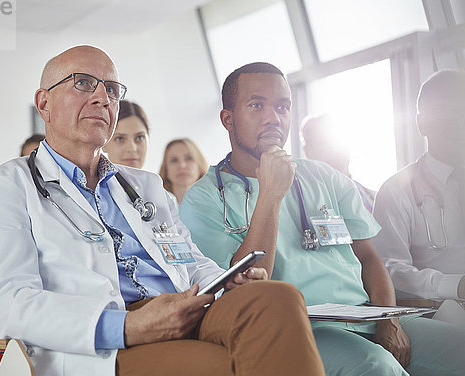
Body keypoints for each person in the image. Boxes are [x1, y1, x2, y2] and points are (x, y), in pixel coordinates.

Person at [0, 46, 325, 376]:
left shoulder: (146, 186)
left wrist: (227, 278)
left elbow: (189, 261)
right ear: (44, 103)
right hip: (101, 337)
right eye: (84, 83)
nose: (101, 98)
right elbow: (7, 305)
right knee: (216, 365)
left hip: (183, 308)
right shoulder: (8, 186)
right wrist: (127, 326)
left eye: (111, 88)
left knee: (277, 298)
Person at [179, 62, 465, 376]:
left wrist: (388, 320)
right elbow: (245, 292)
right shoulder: (203, 200)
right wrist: (270, 194)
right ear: (228, 119)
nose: (273, 118)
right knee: (375, 366)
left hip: (368, 316)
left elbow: (369, 257)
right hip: (301, 329)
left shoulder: (324, 177)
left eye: (282, 107)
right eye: (257, 105)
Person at [372, 70, 465, 322]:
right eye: (446, 113)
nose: (458, 123)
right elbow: (388, 269)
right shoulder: (397, 190)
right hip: (440, 309)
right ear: (421, 123)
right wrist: (456, 285)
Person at [301, 113, 376, 212]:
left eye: (336, 141)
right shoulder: (305, 201)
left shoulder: (373, 198)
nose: (334, 149)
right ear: (308, 151)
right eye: (322, 143)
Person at [158, 138, 208, 206]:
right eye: (174, 160)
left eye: (189, 158)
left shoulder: (216, 205)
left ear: (200, 165)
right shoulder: (156, 205)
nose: (182, 165)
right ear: (165, 169)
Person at [102, 100, 149, 168]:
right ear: (104, 144)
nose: (132, 149)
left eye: (139, 138)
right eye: (120, 138)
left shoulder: (156, 178)